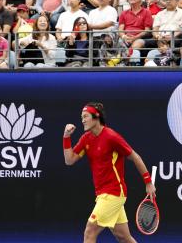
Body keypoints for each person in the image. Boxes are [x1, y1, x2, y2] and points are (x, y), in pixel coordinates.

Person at [63, 103, 156, 242]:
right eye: (81, 117)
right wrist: (66, 137)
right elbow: (69, 160)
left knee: (90, 231)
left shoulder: (111, 137)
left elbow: (135, 157)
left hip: (113, 192)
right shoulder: (86, 138)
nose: (82, 120)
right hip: (102, 193)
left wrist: (148, 182)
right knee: (124, 237)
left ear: (97, 117)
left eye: (86, 116)